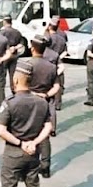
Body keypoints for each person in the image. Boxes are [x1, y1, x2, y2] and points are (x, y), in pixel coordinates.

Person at [28, 35, 61, 178]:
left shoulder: (27, 64)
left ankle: (29, 164)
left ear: (33, 48)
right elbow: (57, 86)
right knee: (44, 134)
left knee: (27, 131)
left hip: (29, 101)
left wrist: (32, 93)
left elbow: (18, 85)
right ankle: (45, 166)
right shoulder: (51, 67)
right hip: (44, 101)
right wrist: (46, 95)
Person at [46, 18, 68, 111]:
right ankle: (58, 104)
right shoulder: (62, 38)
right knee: (58, 83)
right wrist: (59, 57)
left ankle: (48, 101)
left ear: (50, 26)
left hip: (48, 62)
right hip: (58, 62)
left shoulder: (47, 38)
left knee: (47, 83)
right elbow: (66, 51)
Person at [0, 16, 24, 94]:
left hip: (5, 55)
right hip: (14, 55)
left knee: (2, 74)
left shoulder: (1, 32)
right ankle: (14, 90)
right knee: (12, 74)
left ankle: (0, 91)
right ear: (11, 22)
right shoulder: (17, 32)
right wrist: (14, 47)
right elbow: (22, 44)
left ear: (4, 22)